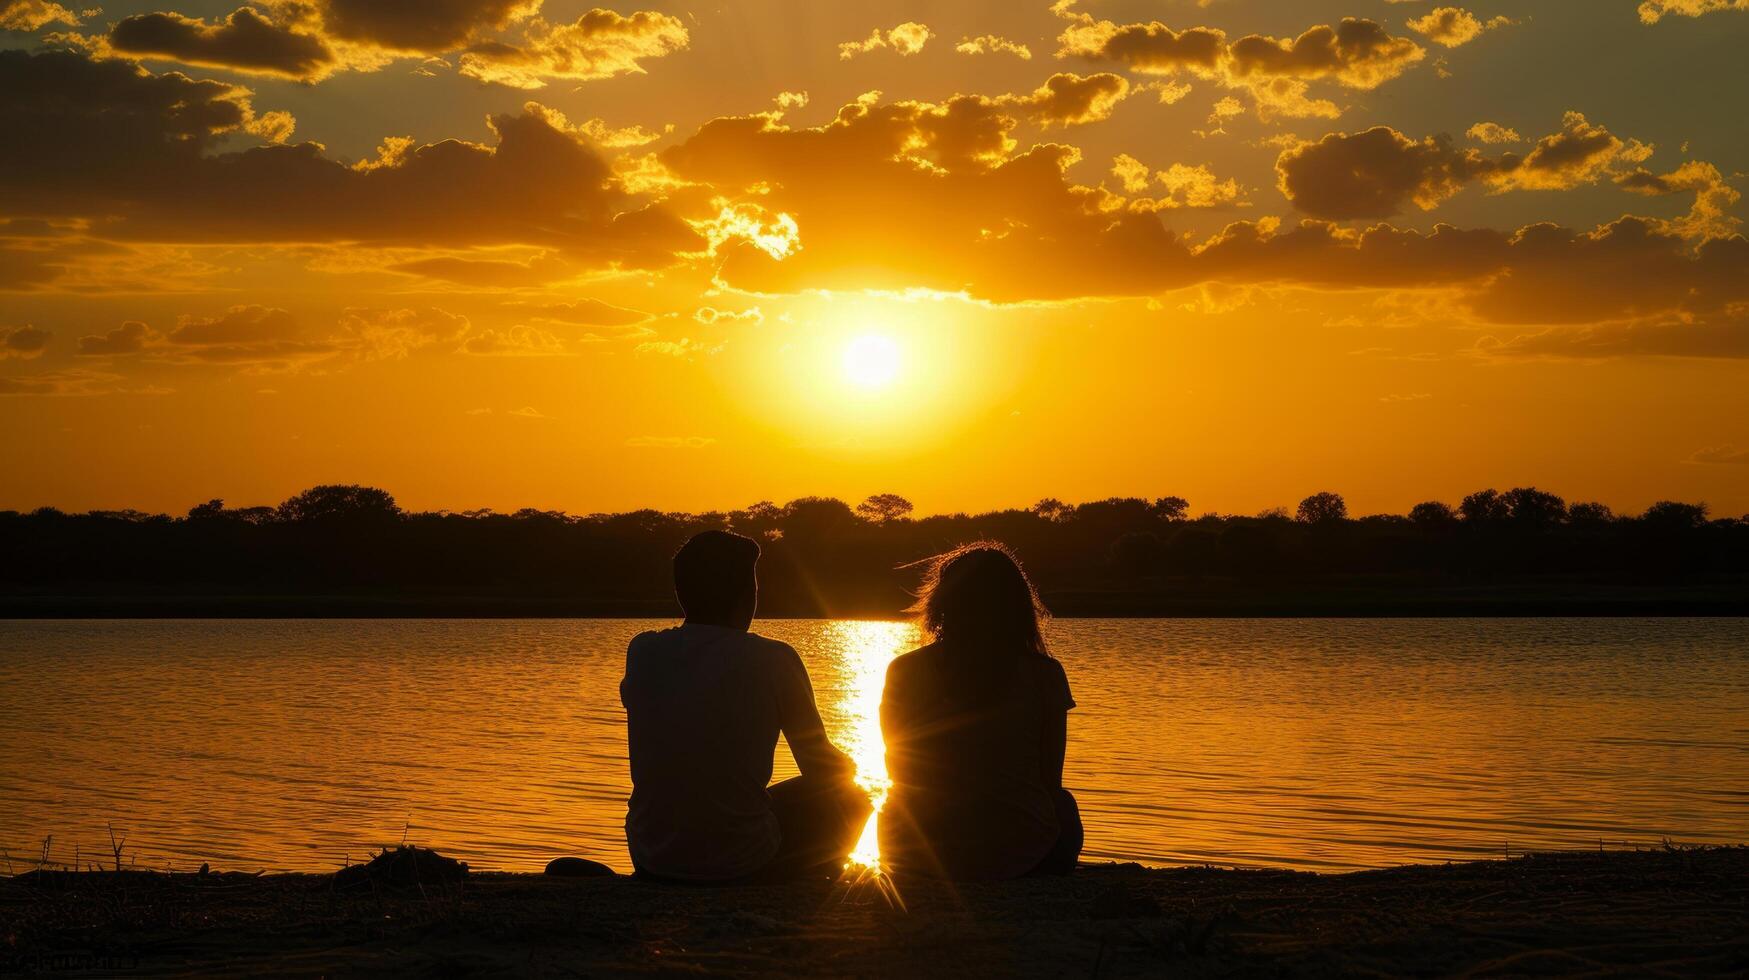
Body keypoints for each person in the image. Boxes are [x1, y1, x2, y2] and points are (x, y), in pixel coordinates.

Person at [621, 530, 870, 882]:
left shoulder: (643, 652)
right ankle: (813, 881)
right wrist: (849, 768)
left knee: (745, 798)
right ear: (747, 595)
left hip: (651, 856)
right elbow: (819, 767)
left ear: (681, 594)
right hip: (741, 862)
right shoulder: (775, 659)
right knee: (852, 797)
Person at [879, 542, 1082, 880]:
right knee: (1063, 804)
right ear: (1017, 607)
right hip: (1020, 857)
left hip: (915, 855)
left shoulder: (903, 670)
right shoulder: (1045, 674)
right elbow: (1050, 779)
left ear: (942, 605)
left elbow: (898, 768)